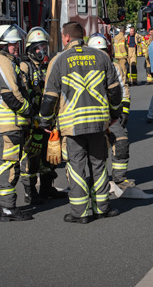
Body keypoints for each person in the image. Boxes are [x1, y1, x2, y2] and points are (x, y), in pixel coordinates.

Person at [39, 21, 123, 224]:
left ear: (67, 37)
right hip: (98, 123)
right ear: (83, 36)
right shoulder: (101, 56)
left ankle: (81, 213)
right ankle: (102, 207)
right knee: (99, 164)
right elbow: (115, 90)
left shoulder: (58, 61)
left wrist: (45, 121)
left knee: (76, 167)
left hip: (72, 124)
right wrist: (114, 113)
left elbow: (50, 96)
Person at [0, 24, 33, 222]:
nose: (16, 47)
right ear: (3, 44)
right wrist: (28, 111)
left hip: (1, 124)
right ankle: (8, 209)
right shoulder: (2, 61)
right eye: (13, 43)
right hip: (8, 124)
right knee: (8, 164)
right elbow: (12, 94)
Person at [18, 27, 68, 205]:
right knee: (31, 157)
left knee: (50, 155)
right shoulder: (25, 67)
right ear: (30, 49)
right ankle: (30, 193)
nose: (42, 51)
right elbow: (23, 93)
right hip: (33, 121)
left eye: (44, 47)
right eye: (38, 48)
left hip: (49, 119)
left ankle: (47, 188)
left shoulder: (48, 66)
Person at [88, 35, 134, 189]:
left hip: (111, 115)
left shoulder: (115, 67)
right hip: (92, 115)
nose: (102, 55)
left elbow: (123, 89)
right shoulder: (84, 69)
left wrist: (124, 111)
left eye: (104, 51)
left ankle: (120, 179)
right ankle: (95, 180)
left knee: (121, 142)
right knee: (96, 150)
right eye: (98, 51)